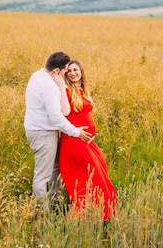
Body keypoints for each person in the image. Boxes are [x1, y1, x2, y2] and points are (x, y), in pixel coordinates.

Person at [24, 51, 93, 209]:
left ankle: (55, 204)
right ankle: (43, 214)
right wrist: (76, 132)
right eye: (65, 71)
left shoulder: (38, 75)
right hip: (43, 133)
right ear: (56, 71)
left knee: (55, 168)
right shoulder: (50, 87)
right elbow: (57, 116)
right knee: (42, 175)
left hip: (44, 130)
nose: (67, 74)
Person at [56, 59, 117, 221]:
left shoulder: (82, 90)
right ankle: (90, 216)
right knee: (90, 177)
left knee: (100, 169)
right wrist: (62, 86)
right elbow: (63, 113)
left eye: (75, 70)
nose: (72, 73)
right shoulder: (66, 91)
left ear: (81, 72)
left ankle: (94, 214)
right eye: (69, 71)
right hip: (74, 140)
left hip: (87, 141)